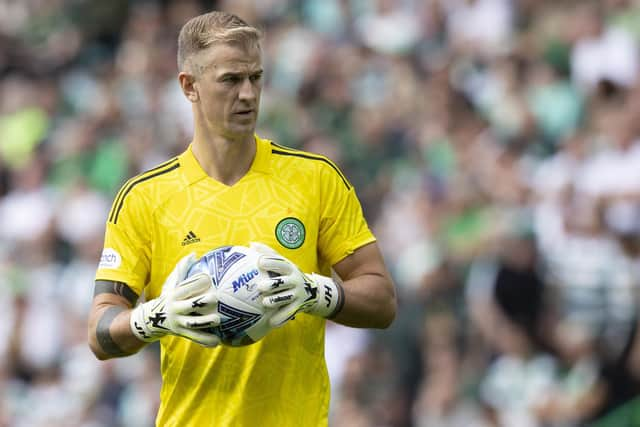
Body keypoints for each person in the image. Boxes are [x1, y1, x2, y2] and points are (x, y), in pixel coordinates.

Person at [87, 10, 397, 427]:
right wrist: (154, 318)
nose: (248, 94)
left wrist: (315, 292)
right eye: (231, 80)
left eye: (256, 78)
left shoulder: (315, 179)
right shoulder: (144, 198)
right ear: (189, 86)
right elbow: (100, 332)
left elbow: (382, 300)